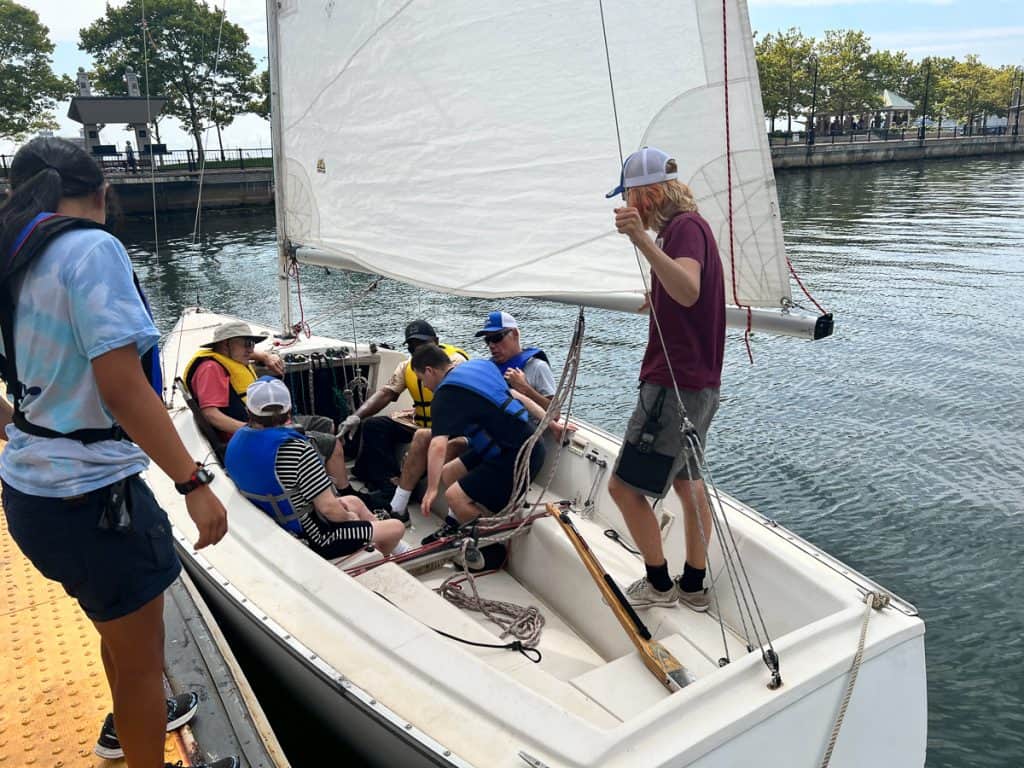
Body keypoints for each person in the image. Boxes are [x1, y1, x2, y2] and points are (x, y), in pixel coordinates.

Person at [0, 137, 237, 768]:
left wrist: (25, 431)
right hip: (95, 505)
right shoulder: (91, 249)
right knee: (141, 669)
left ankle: (125, 734)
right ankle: (136, 746)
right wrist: (194, 483)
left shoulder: (12, 256)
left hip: (29, 495)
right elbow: (123, 387)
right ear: (102, 192)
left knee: (120, 634)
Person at [604, 146, 725, 613]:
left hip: (672, 387)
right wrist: (658, 296)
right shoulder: (689, 231)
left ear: (647, 193)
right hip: (698, 385)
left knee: (623, 489)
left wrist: (642, 242)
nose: (627, 207)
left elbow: (690, 289)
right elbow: (684, 291)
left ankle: (659, 584)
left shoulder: (682, 228)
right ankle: (693, 586)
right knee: (687, 483)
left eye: (629, 197)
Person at [182, 320, 376, 505]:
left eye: (253, 344)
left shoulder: (230, 357)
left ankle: (320, 479)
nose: (251, 349)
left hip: (268, 423)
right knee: (332, 443)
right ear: (225, 344)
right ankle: (344, 492)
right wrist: (252, 431)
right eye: (247, 344)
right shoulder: (211, 369)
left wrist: (265, 356)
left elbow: (251, 354)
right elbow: (211, 415)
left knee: (326, 424)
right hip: (255, 432)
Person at [225, 377, 406, 559]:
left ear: (249, 411)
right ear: (288, 411)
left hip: (277, 523)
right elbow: (329, 509)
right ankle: (376, 560)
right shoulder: (299, 451)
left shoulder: (236, 441)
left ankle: (381, 544)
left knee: (354, 501)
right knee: (396, 527)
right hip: (315, 538)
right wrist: (350, 519)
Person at [410, 344, 546, 545]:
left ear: (429, 371)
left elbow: (438, 446)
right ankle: (455, 525)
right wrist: (550, 422)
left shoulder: (443, 396)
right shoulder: (479, 366)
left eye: (422, 380)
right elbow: (517, 397)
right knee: (449, 472)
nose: (425, 386)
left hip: (519, 456)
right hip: (524, 443)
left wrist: (431, 489)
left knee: (454, 496)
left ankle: (490, 548)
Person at [342, 319, 469, 522]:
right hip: (419, 421)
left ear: (436, 342)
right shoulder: (407, 366)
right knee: (373, 426)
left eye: (422, 345)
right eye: (411, 347)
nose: (417, 351)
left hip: (449, 427)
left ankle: (396, 496)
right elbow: (386, 393)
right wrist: (356, 416)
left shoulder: (454, 363)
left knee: (423, 439)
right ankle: (387, 484)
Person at [475, 310, 556, 411]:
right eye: (487, 340)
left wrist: (525, 388)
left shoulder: (537, 367)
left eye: (496, 338)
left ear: (515, 333)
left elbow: (555, 414)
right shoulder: (489, 370)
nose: (491, 345)